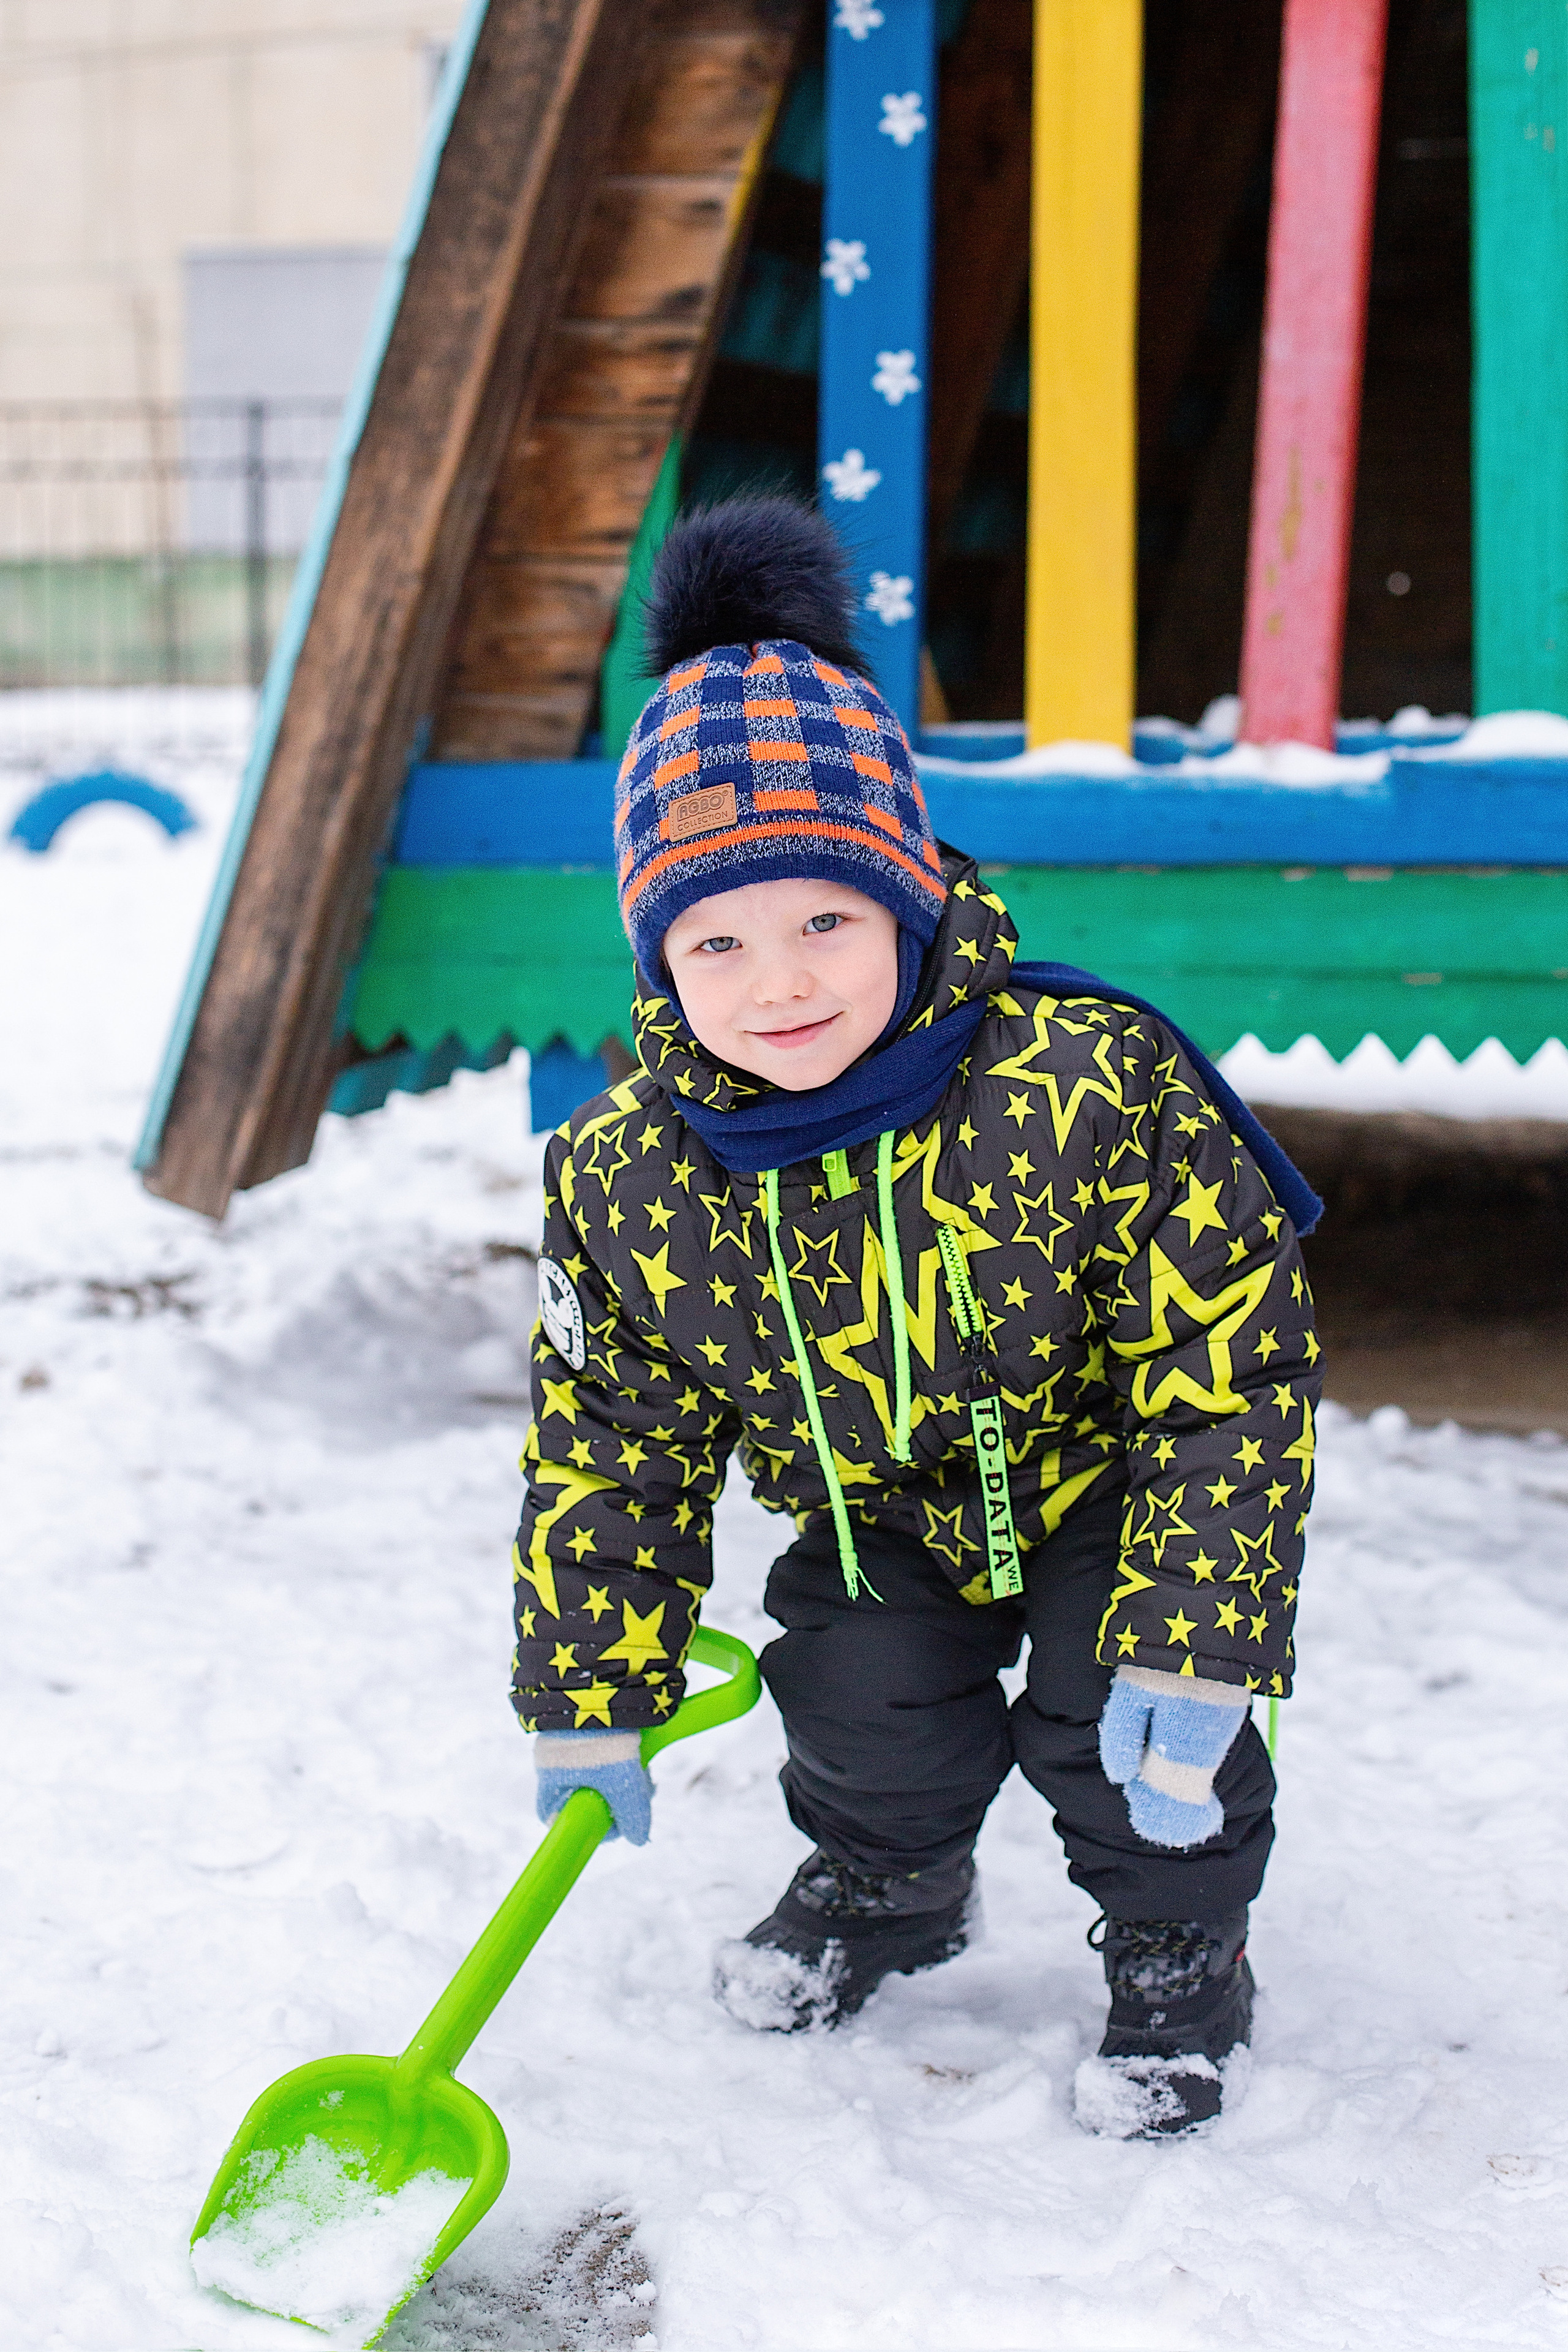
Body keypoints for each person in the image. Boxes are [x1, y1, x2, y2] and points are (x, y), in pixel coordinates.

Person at [513, 498, 1321, 2136]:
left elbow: (1232, 1365)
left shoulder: (1090, 1082)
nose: (781, 981)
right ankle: (891, 1885)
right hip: (879, 1508)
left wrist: (1207, 1625)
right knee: (864, 1713)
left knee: (1132, 1733)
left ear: (913, 900)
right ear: (661, 966)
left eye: (828, 918)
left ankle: (1179, 1947)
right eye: (718, 940)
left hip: (1108, 1484)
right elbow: (607, 1440)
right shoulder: (633, 1178)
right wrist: (589, 1681)